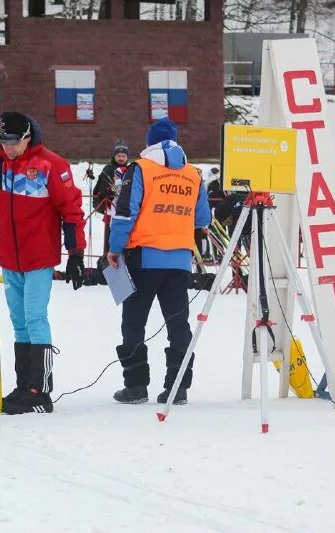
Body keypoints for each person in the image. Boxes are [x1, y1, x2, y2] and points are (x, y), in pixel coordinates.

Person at [0, 111, 86, 415]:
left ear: (27, 137)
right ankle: (25, 386)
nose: (8, 148)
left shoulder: (51, 165)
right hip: (10, 259)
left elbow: (71, 211)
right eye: (3, 142)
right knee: (19, 322)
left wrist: (75, 253)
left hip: (39, 257)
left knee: (35, 318)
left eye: (14, 142)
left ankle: (41, 391)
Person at [106, 117, 211, 405]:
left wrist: (115, 247)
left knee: (134, 322)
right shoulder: (193, 174)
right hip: (180, 259)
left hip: (144, 257)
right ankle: (178, 387)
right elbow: (203, 218)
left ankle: (136, 385)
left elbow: (125, 212)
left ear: (149, 142)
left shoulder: (141, 169)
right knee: (178, 325)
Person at [93, 140, 130, 255]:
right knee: (109, 239)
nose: (121, 158)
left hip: (125, 210)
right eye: (119, 156)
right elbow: (103, 187)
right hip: (110, 208)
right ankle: (106, 259)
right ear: (114, 156)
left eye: (123, 156)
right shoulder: (108, 169)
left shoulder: (130, 170)